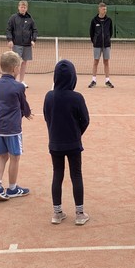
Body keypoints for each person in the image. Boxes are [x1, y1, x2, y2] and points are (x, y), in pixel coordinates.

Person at [43, 59, 91, 225]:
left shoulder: (49, 96)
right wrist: (77, 134)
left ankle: (57, 213)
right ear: (73, 78)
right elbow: (85, 120)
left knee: (57, 174)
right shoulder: (77, 97)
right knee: (76, 175)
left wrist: (53, 133)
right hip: (73, 144)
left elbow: (47, 117)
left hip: (55, 143)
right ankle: (79, 214)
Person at [0, 51, 33, 201]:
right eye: (19, 67)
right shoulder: (18, 86)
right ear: (15, 69)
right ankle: (13, 188)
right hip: (12, 128)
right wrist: (27, 113)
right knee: (15, 157)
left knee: (3, 156)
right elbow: (23, 104)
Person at [5, 0, 37, 87]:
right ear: (18, 7)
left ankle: (21, 81)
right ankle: (13, 81)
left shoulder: (30, 19)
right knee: (16, 63)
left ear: (27, 8)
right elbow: (8, 29)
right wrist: (10, 40)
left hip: (27, 45)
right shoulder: (13, 18)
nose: (23, 9)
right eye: (21, 7)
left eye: (24, 7)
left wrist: (33, 40)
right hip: (16, 44)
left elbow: (34, 30)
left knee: (24, 63)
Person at [89, 2, 114, 88]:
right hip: (97, 45)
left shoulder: (109, 20)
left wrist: (107, 39)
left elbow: (110, 32)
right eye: (103, 9)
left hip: (106, 45)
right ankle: (93, 80)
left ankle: (107, 80)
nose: (105, 10)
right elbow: (91, 33)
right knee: (96, 61)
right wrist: (95, 41)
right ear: (99, 9)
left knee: (106, 62)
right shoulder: (94, 20)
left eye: (106, 9)